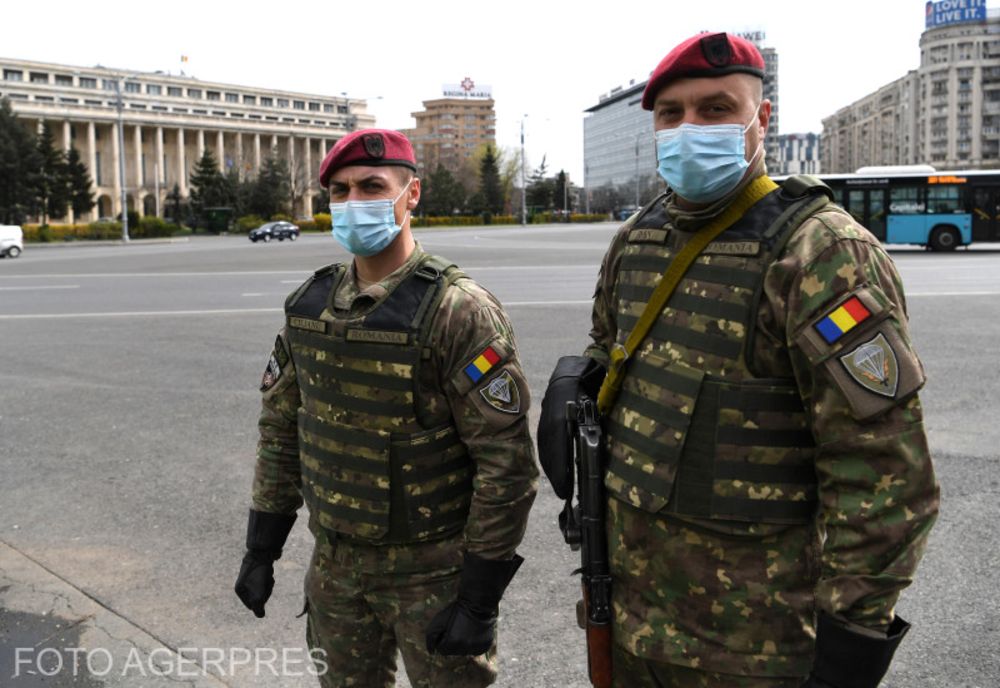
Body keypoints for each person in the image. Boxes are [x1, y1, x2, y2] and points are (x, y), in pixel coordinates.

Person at [538, 32, 939, 688]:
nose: (689, 127)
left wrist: (847, 659)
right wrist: (578, 387)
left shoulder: (821, 254)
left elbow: (885, 480)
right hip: (632, 624)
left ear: (762, 121)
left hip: (756, 653)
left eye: (716, 109)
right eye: (672, 114)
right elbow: (609, 353)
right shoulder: (637, 241)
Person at [234, 128, 538, 688]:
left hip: (433, 574)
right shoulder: (309, 306)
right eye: (341, 191)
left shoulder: (458, 310)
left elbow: (506, 465)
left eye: (372, 187)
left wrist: (478, 596)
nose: (354, 203)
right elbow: (280, 433)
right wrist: (261, 548)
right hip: (336, 569)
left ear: (411, 194)